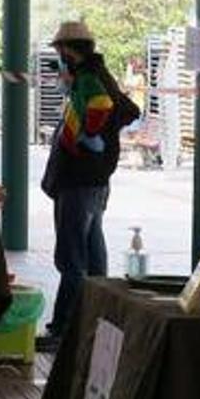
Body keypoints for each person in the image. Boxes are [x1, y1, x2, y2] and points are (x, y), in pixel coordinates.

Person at [40, 20, 118, 350]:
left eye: (59, 52)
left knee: (72, 259)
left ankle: (63, 330)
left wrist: (85, 137)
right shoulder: (95, 76)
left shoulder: (89, 79)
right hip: (93, 180)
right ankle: (97, 322)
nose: (59, 59)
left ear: (69, 50)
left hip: (80, 181)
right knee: (93, 253)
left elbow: (100, 111)